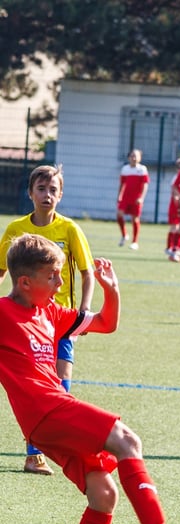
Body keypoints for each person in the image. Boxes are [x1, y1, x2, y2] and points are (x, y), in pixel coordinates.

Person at [0, 233, 180, 524]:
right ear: (25, 282)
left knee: (104, 493)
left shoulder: (51, 313)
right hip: (46, 410)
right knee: (127, 440)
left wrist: (112, 290)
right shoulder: (3, 312)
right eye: (52, 276)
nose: (61, 282)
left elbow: (107, 323)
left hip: (48, 421)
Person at [0, 164, 95, 476]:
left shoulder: (69, 229)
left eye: (53, 189)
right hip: (26, 321)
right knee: (33, 389)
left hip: (60, 319)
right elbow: (1, 270)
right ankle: (34, 455)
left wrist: (83, 312)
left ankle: (58, 444)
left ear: (61, 194)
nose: (47, 195)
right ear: (30, 193)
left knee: (61, 384)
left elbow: (88, 272)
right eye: (41, 189)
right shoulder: (16, 230)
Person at [116, 148, 150, 250]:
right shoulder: (125, 169)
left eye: (136, 156)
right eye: (132, 156)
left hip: (136, 198)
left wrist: (141, 197)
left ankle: (135, 242)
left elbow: (145, 185)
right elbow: (122, 184)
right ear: (128, 157)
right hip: (125, 197)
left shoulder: (142, 169)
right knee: (119, 215)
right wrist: (119, 195)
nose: (134, 158)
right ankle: (124, 235)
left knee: (135, 219)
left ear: (140, 158)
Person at [165, 157, 180, 258]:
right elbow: (174, 191)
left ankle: (178, 247)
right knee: (174, 226)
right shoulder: (176, 178)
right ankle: (169, 247)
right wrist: (177, 200)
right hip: (176, 204)